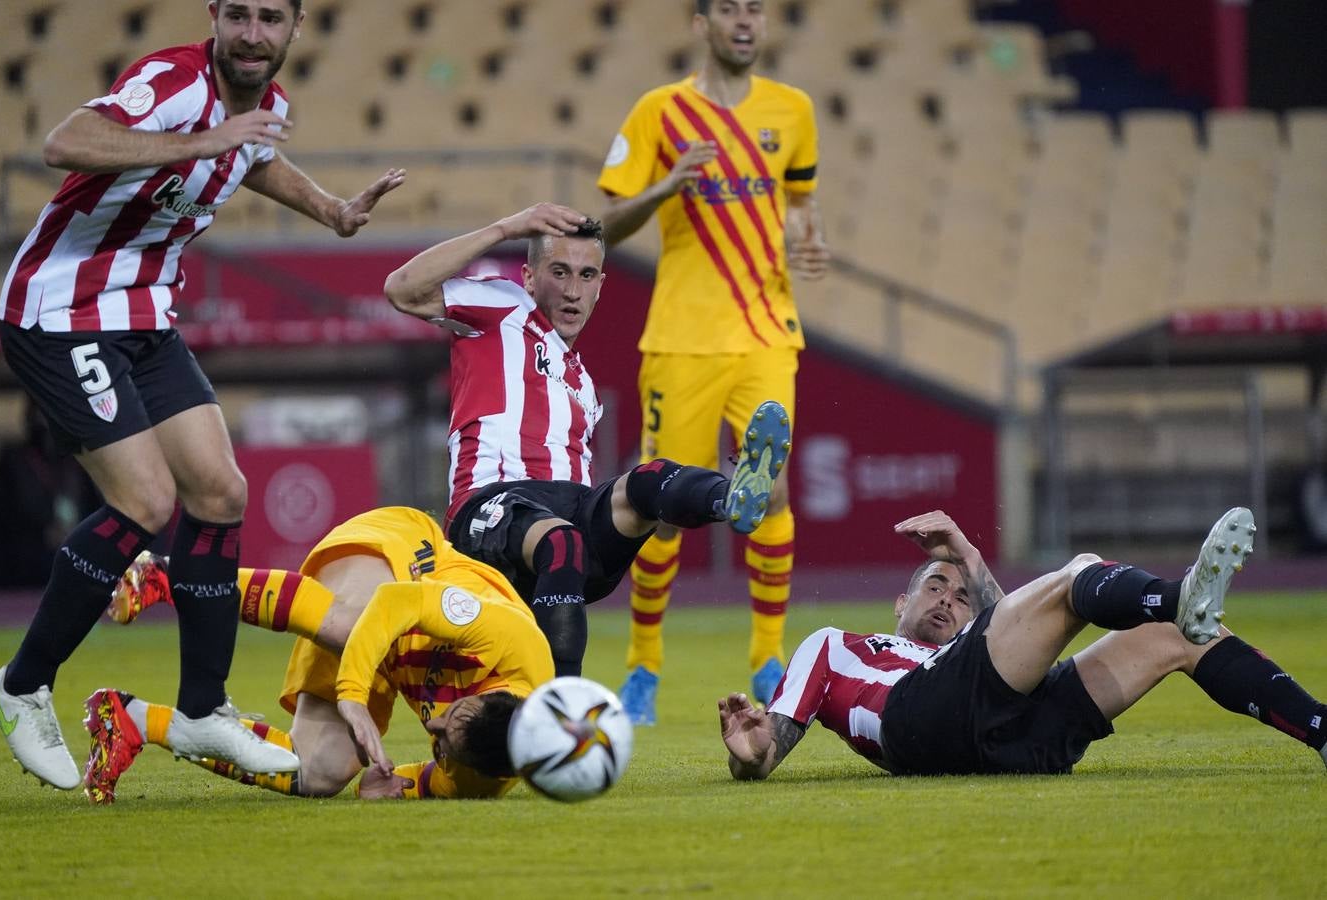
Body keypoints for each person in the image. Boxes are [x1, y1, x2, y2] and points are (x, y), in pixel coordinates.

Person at [0, 0, 405, 791]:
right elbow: (62, 141)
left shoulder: (267, 108)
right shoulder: (173, 83)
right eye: (236, 14)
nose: (251, 33)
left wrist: (332, 211)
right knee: (145, 502)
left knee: (219, 492)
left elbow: (253, 161)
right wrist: (206, 137)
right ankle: (21, 684)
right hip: (61, 311)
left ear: (295, 28)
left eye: (269, 18)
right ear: (214, 16)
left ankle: (205, 708)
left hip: (144, 316)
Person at [381, 203, 791, 678]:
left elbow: (600, 505)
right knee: (563, 542)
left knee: (649, 479)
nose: (573, 291)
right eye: (559, 272)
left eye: (586, 275)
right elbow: (401, 290)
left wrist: (645, 512)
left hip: (571, 512)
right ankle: (562, 706)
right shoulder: (502, 306)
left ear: (601, 285)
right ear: (530, 277)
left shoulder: (584, 387)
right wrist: (507, 227)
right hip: (491, 507)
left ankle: (731, 497)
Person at [596, 0, 830, 723]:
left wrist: (806, 237)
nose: (744, 21)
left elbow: (799, 202)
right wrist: (668, 186)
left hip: (766, 330)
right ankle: (644, 667)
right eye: (728, 8)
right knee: (663, 511)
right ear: (701, 22)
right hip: (682, 339)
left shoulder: (792, 110)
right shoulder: (658, 114)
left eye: (755, 9)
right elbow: (603, 222)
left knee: (774, 492)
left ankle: (766, 655)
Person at [718, 508, 1327, 779]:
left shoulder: (973, 650)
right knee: (1079, 570)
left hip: (1013, 734)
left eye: (961, 598)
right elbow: (771, 743)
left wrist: (966, 553)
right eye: (935, 585)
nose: (947, 600)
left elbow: (1013, 628)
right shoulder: (832, 644)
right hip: (918, 719)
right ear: (900, 604)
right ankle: (1177, 594)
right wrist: (749, 756)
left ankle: (1321, 729)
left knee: (1173, 637)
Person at [84, 506, 553, 804]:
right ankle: (164, 577)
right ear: (492, 694)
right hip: (403, 559)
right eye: (451, 719)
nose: (431, 728)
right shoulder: (516, 645)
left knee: (321, 774)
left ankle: (133, 721)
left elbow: (429, 782)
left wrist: (391, 787)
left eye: (445, 747)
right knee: (356, 628)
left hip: (384, 658)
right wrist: (352, 694)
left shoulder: (485, 776)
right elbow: (398, 602)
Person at [0, 400, 98, 588]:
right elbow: (1, 521)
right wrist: (43, 533)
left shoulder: (78, 461)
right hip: (25, 569)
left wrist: (75, 535)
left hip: (77, 561)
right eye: (41, 416)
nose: (46, 424)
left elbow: (95, 510)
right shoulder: (14, 460)